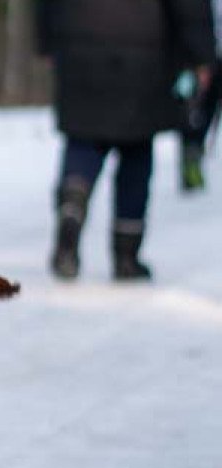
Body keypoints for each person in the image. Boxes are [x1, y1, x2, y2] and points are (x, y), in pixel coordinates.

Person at [37, 0, 216, 281]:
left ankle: (72, 204)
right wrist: (201, 54)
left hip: (78, 45)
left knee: (83, 138)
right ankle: (126, 255)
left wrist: (46, 40)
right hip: (147, 49)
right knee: (136, 148)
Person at [178, 0, 222, 192]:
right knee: (198, 109)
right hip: (200, 55)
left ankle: (193, 155)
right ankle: (192, 156)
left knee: (204, 109)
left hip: (207, 51)